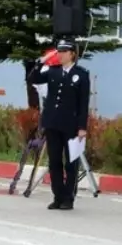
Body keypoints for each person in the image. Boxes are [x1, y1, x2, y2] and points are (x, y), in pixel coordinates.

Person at [32, 40, 90, 210]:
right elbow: (34, 78)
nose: (60, 54)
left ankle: (68, 197)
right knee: (54, 161)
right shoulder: (52, 72)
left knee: (71, 163)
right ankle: (57, 196)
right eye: (58, 52)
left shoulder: (81, 74)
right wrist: (42, 60)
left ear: (72, 54)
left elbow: (83, 104)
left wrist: (82, 127)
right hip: (52, 123)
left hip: (71, 125)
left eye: (63, 52)